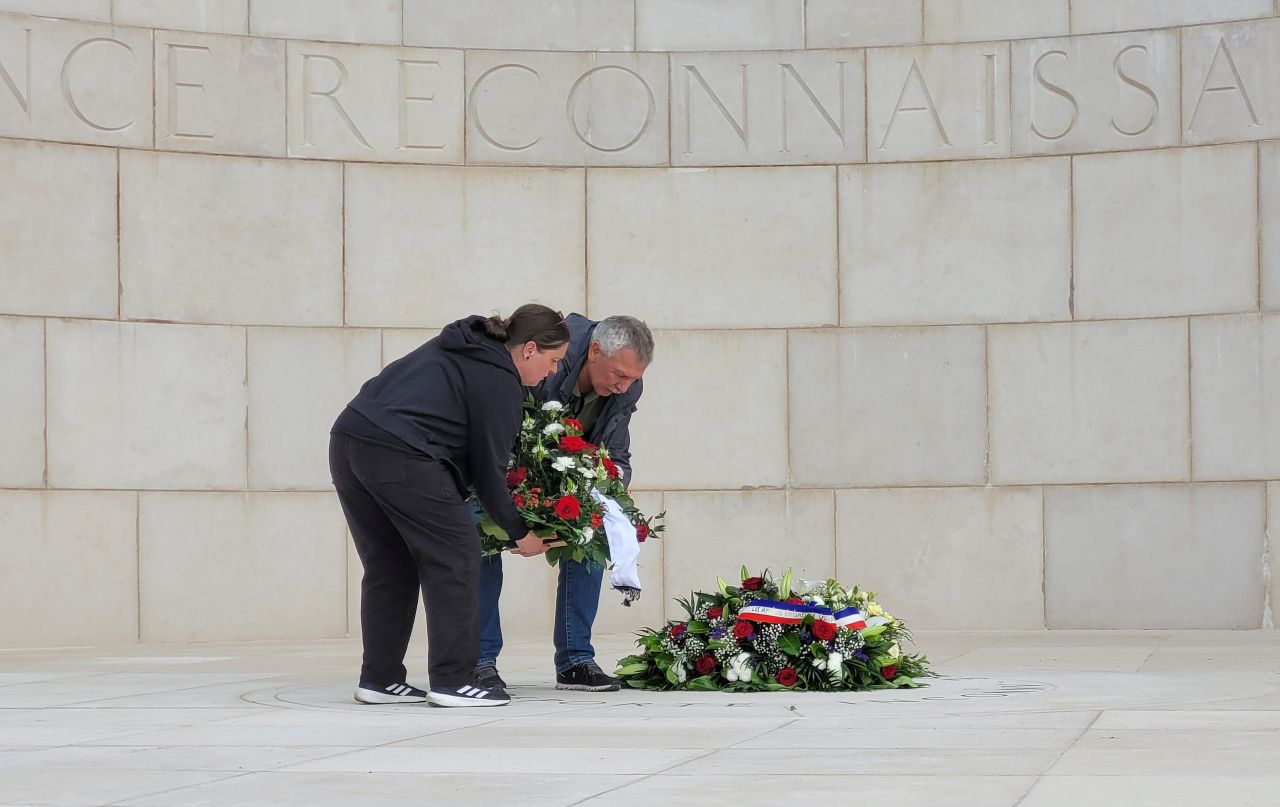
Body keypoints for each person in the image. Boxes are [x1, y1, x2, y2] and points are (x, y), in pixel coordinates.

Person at [329, 304, 570, 708]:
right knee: (457, 554)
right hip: (401, 452)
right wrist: (520, 533)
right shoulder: (499, 378)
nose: (554, 371)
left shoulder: (463, 346)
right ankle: (454, 680)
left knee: (390, 564)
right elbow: (489, 472)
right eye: (553, 360)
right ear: (529, 349)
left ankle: (380, 679)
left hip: (348, 439)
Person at [473, 314, 654, 693]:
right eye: (619, 375)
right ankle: (478, 660)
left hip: (566, 479)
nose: (623, 387)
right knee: (477, 532)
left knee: (595, 524)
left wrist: (612, 491)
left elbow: (617, 452)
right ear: (594, 351)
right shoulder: (551, 356)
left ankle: (575, 660)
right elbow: (500, 431)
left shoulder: (627, 388)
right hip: (506, 468)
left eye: (632, 380)